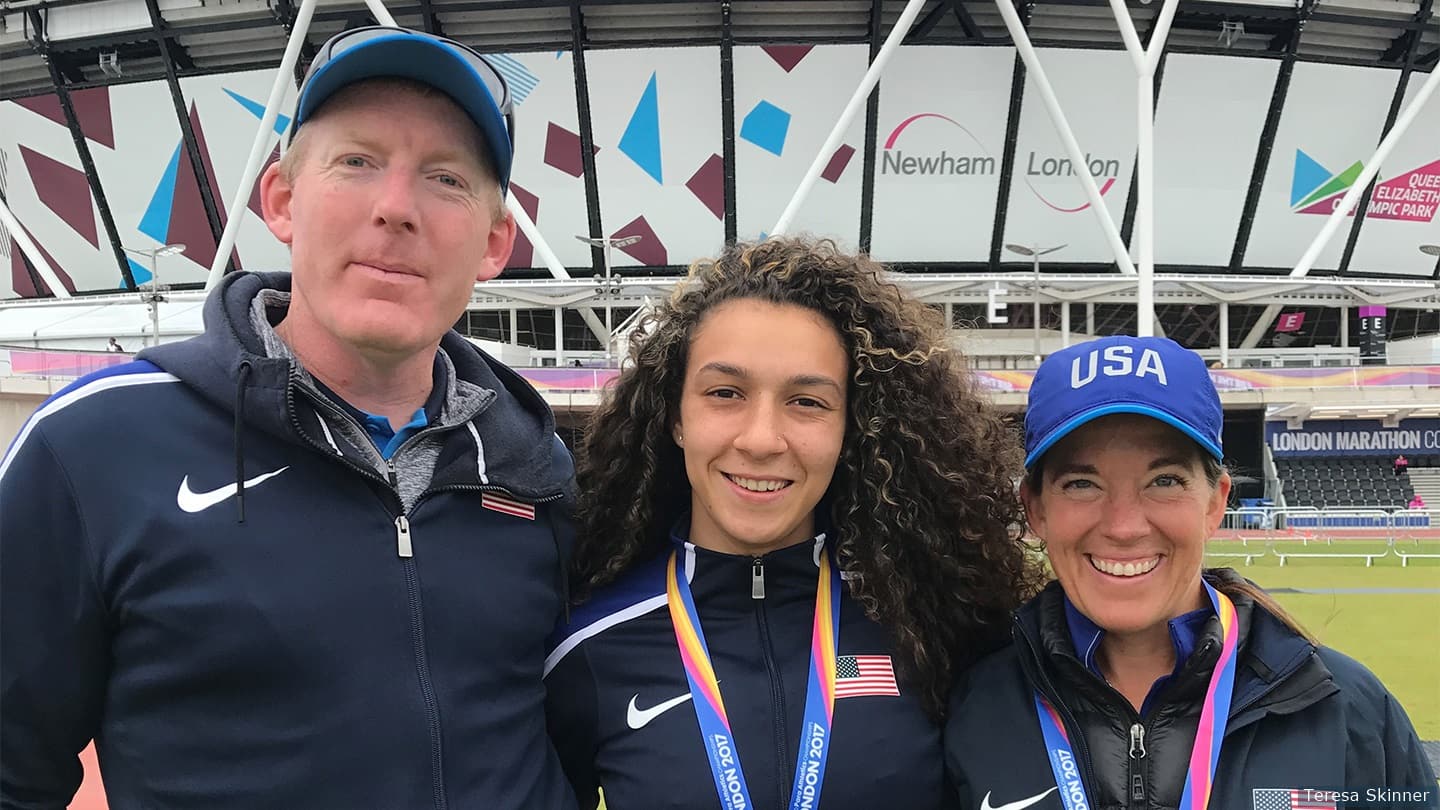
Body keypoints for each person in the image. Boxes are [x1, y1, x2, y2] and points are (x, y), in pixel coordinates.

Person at [1, 26, 578, 809]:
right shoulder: (93, 446)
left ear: (496, 241)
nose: (396, 208)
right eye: (357, 162)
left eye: (445, 179)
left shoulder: (536, 470)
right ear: (279, 198)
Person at [544, 237, 1044, 810]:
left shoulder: (933, 620)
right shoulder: (589, 645)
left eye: (807, 402)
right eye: (725, 393)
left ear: (850, 428)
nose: (761, 439)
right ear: (675, 417)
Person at [945, 336, 1436, 807]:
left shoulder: (1346, 710)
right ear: (1035, 510)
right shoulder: (971, 707)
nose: (1123, 526)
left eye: (1164, 480)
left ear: (1215, 502)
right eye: (1080, 483)